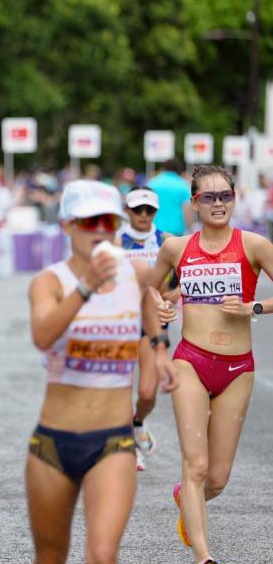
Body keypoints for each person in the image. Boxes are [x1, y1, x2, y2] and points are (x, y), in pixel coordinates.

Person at [27, 180, 177, 564]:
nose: (99, 230)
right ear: (67, 225)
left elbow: (150, 311)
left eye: (107, 222)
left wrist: (159, 349)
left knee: (103, 557)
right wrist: (88, 286)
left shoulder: (133, 277)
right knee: (50, 563)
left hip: (113, 442)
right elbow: (42, 335)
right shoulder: (50, 281)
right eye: (88, 221)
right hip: (53, 444)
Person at [148, 164, 273, 564]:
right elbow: (151, 289)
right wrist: (163, 310)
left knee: (216, 479)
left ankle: (187, 499)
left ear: (235, 199)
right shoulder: (177, 248)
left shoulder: (255, 245)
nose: (218, 204)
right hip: (191, 361)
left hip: (238, 368)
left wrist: (254, 309)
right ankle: (206, 562)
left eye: (225, 196)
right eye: (209, 197)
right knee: (196, 465)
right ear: (194, 203)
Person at [117, 187, 178, 471]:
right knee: (120, 390)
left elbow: (181, 285)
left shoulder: (167, 242)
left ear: (155, 212)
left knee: (147, 393)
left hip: (154, 323)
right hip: (122, 322)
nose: (143, 215)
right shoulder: (115, 242)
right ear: (127, 210)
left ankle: (137, 421)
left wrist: (169, 302)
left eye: (149, 210)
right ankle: (126, 445)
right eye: (137, 209)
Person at [147, 159, 191, 236]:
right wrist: (189, 228)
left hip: (154, 229)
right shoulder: (184, 185)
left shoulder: (152, 183)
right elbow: (187, 210)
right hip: (176, 230)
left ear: (163, 168)